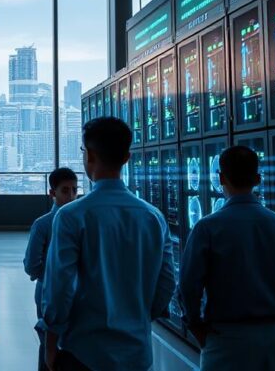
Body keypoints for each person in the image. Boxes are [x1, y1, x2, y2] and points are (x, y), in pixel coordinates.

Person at [40, 117, 176, 371]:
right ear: (127, 157)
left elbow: (60, 287)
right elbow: (167, 281)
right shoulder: (153, 217)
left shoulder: (72, 216)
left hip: (84, 352)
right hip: (136, 352)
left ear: (89, 155)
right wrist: (139, 317)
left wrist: (50, 343)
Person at [179, 145, 275, 371]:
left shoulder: (207, 228)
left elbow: (188, 286)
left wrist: (196, 325)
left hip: (225, 338)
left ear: (221, 177)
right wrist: (272, 312)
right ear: (258, 178)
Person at [24, 168, 79, 371]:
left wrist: (45, 276)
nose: (71, 196)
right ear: (52, 193)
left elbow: (32, 266)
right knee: (50, 344)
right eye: (65, 191)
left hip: (50, 289)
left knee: (51, 343)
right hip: (52, 291)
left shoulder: (44, 224)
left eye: (74, 190)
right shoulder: (45, 224)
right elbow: (31, 263)